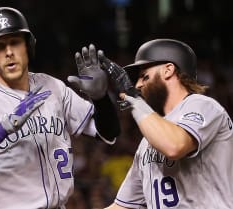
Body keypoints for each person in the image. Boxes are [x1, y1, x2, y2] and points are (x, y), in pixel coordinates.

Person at [0, 6, 120, 209]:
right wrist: (2, 129)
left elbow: (108, 133)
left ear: (28, 45)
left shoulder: (53, 87)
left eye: (15, 42)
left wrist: (101, 98)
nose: (8, 52)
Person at [98, 39, 233, 208]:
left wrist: (137, 102)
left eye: (143, 76)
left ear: (168, 70)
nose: (138, 84)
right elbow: (123, 206)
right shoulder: (148, 140)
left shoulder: (203, 105)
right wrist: (99, 99)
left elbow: (174, 146)